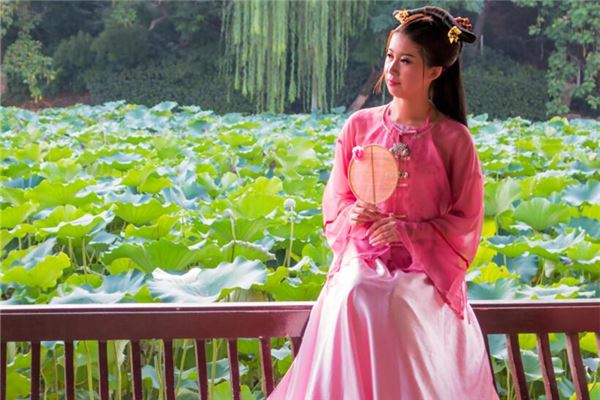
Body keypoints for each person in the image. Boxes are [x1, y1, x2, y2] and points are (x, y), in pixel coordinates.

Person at [267, 6, 499, 400]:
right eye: (390, 56)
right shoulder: (358, 126)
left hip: (424, 271)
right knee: (356, 291)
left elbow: (467, 221)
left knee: (397, 300)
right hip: (363, 257)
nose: (391, 69)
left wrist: (411, 232)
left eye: (406, 61)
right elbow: (337, 199)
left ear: (434, 72)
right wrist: (352, 213)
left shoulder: (454, 139)